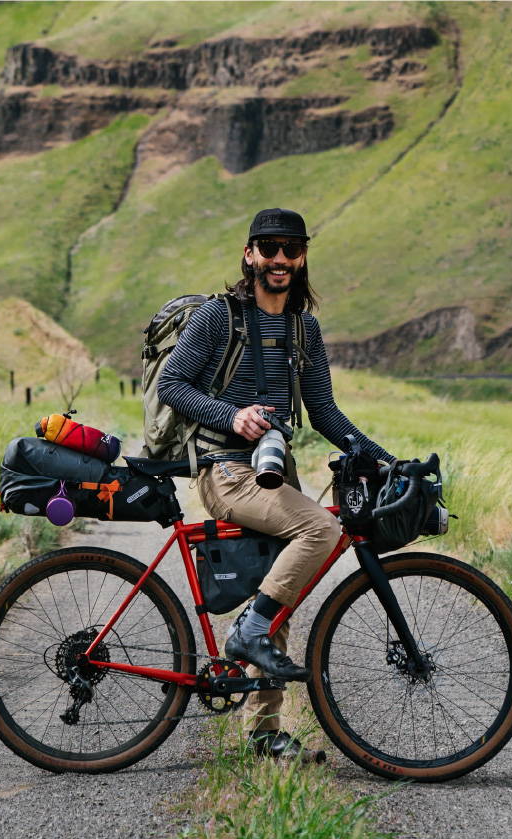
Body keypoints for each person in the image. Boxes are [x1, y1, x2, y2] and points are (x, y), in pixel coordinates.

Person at [157, 207, 395, 760]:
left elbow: (326, 413)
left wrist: (384, 461)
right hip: (225, 469)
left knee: (278, 595)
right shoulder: (218, 317)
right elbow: (173, 383)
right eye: (269, 248)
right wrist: (231, 417)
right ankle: (248, 632)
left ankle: (264, 733)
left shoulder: (303, 328)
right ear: (250, 255)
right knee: (318, 531)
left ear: (303, 256)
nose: (280, 259)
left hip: (272, 472)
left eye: (290, 248)